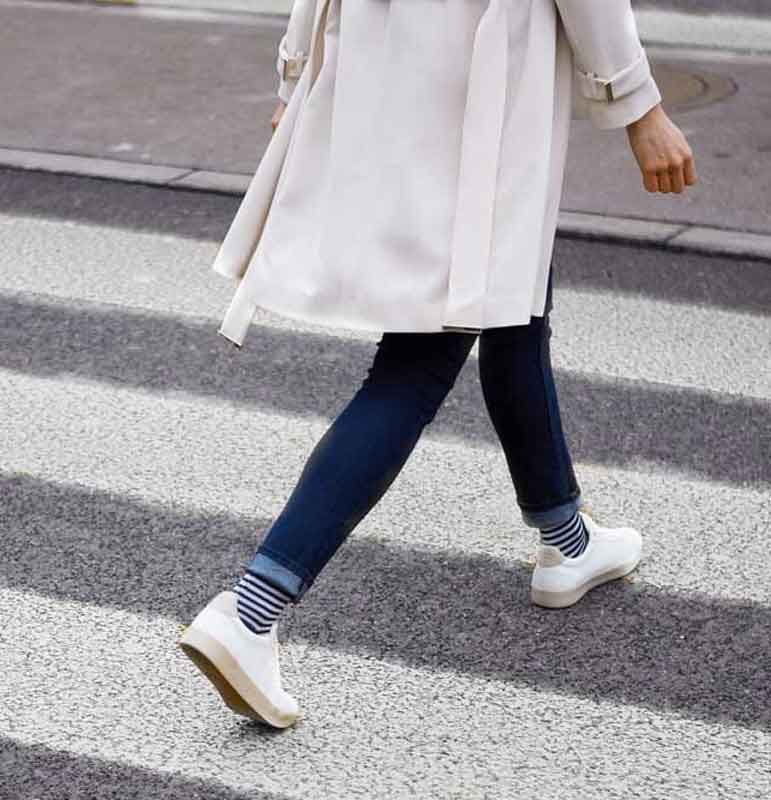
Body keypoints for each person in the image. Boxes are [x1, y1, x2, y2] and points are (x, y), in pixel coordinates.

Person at [179, 0, 697, 729]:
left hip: (387, 66)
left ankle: (566, 539)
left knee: (512, 302)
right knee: (418, 362)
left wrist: (297, 73)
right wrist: (639, 106)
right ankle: (250, 611)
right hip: (478, 88)